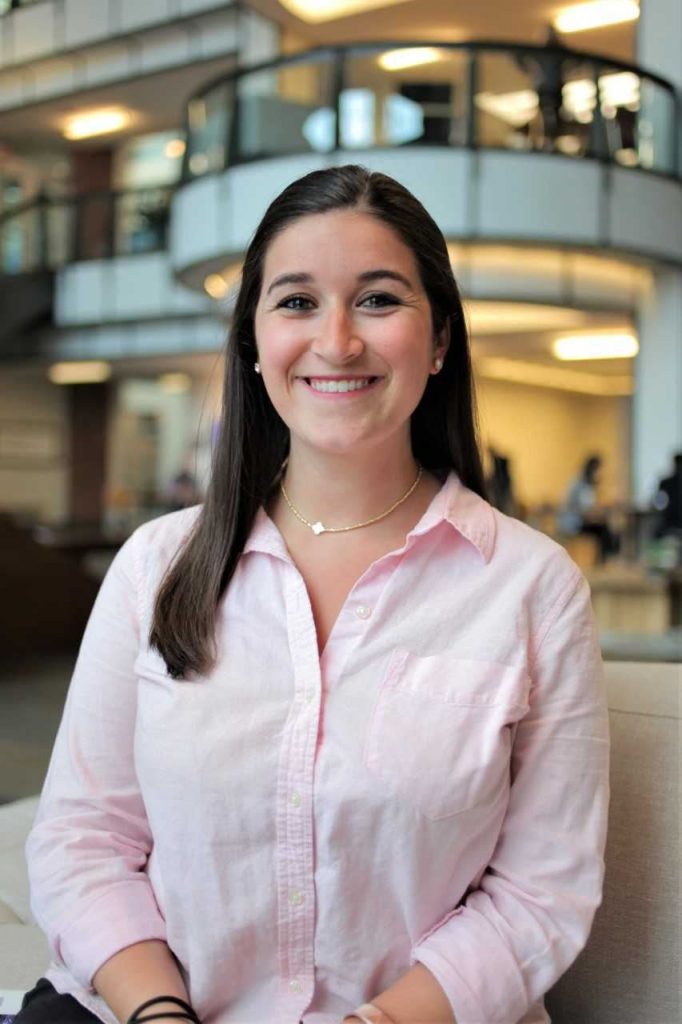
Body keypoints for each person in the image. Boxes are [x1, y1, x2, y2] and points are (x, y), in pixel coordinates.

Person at [18, 165, 609, 1024]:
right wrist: (159, 1013)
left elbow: (540, 892)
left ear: (439, 338)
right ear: (254, 345)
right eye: (296, 302)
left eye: (377, 300)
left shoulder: (531, 587)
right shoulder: (157, 565)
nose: (336, 341)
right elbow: (84, 839)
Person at [558, 454, 620, 563]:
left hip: (581, 519)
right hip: (572, 522)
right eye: (599, 469)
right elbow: (582, 509)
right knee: (602, 528)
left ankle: (603, 560)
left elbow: (590, 508)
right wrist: (596, 514)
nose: (601, 473)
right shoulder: (579, 483)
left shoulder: (589, 485)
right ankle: (603, 560)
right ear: (593, 468)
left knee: (604, 526)